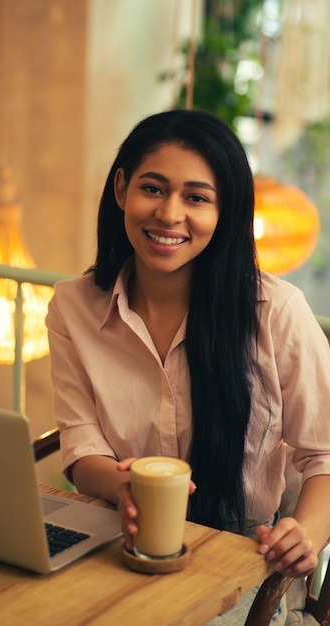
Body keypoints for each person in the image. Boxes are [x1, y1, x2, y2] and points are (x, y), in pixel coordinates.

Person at [46, 109, 330, 624]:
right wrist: (119, 486)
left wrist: (305, 533)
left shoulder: (276, 311)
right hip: (121, 537)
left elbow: (327, 453)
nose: (169, 214)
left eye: (196, 198)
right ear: (120, 189)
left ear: (226, 212)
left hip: (241, 555)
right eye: (152, 189)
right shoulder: (72, 306)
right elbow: (82, 445)